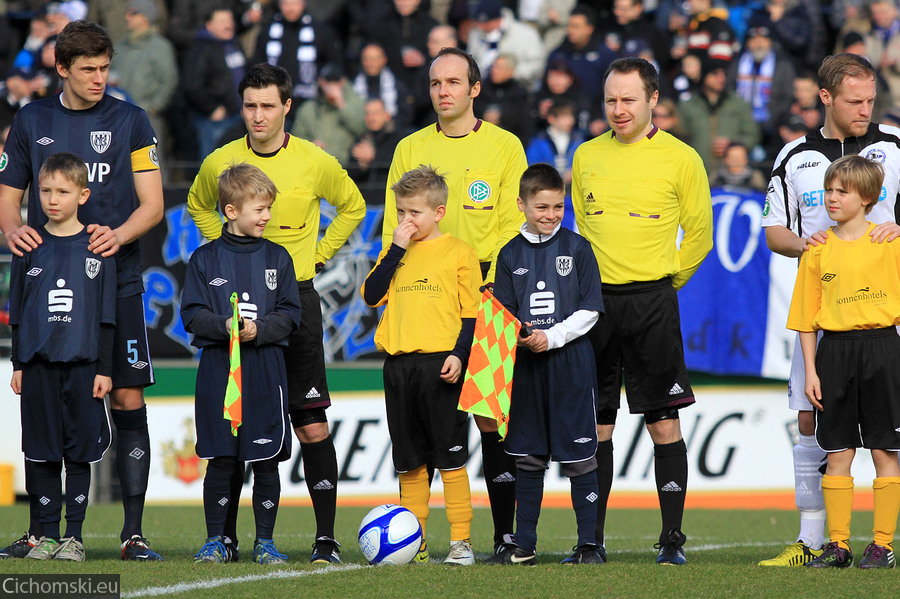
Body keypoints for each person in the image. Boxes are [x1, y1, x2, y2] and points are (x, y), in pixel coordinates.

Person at [187, 62, 366, 564]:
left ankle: (325, 539)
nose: (258, 116)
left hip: (295, 302)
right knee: (233, 423)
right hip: (237, 307)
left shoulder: (314, 159)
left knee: (311, 424)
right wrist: (221, 250)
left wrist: (320, 256)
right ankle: (223, 539)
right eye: (250, 106)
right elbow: (198, 204)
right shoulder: (220, 161)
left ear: (288, 107)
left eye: (268, 106)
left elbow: (352, 206)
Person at [0, 20, 164, 562]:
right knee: (46, 400)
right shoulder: (32, 119)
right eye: (88, 69)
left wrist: (117, 235)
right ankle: (40, 532)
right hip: (48, 283)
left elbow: (153, 204)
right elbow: (9, 195)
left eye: (104, 67)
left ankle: (133, 532)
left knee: (125, 395)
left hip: (114, 281)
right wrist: (11, 229)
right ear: (62, 68)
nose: (100, 78)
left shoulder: (131, 120)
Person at [383, 46, 528, 562]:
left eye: (452, 82)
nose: (442, 91)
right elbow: (392, 230)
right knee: (425, 436)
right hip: (426, 307)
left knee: (489, 419)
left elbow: (516, 228)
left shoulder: (506, 148)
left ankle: (504, 537)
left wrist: (492, 287)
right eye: (434, 83)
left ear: (474, 89)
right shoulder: (409, 148)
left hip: (486, 303)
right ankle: (419, 541)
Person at [760, 52, 900, 567]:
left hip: (883, 318)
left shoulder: (894, 145)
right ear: (825, 97)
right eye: (854, 101)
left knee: (887, 436)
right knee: (809, 419)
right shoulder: (794, 155)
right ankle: (813, 540)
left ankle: (879, 540)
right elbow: (774, 230)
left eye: (870, 100)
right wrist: (808, 246)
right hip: (825, 308)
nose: (865, 110)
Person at [572, 57, 713, 565]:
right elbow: (583, 233)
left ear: (653, 100)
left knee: (663, 422)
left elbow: (700, 235)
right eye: (610, 99)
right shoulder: (586, 155)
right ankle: (592, 542)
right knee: (596, 424)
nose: (618, 109)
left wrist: (665, 280)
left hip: (653, 301)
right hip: (597, 307)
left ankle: (670, 542)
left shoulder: (682, 158)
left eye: (628, 99)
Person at [182, 163, 301, 565]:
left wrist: (258, 330)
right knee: (222, 458)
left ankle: (265, 543)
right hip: (219, 369)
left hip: (266, 370)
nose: (267, 216)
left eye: (269, 208)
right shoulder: (204, 259)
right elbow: (192, 315)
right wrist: (225, 326)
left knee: (266, 460)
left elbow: (290, 314)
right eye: (259, 209)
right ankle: (217, 541)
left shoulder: (279, 257)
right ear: (231, 211)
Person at [362, 164, 480, 566]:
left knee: (449, 457)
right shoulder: (394, 252)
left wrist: (460, 355)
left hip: (441, 365)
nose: (405, 221)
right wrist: (395, 249)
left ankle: (461, 542)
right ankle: (416, 543)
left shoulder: (460, 252)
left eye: (414, 212)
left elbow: (471, 313)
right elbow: (371, 295)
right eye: (400, 212)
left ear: (439, 212)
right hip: (399, 366)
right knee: (409, 460)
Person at [787, 154, 900, 569]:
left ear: (868, 198)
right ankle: (839, 546)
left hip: (883, 350)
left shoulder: (890, 243)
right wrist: (811, 373)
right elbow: (803, 321)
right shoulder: (817, 250)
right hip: (833, 352)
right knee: (838, 450)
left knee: (886, 448)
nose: (831, 198)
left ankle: (882, 545)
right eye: (829, 190)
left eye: (842, 192)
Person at [489, 163, 604, 565]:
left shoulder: (577, 248)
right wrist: (523, 335)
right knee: (528, 456)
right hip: (526, 368)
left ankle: (589, 544)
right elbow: (502, 314)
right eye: (542, 207)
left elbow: (590, 310)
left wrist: (551, 337)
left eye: (558, 206)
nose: (551, 215)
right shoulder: (509, 254)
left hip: (571, 363)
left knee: (579, 457)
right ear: (521, 204)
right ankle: (524, 545)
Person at [7, 153, 116, 562]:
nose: (53, 199)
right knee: (41, 451)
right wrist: (18, 363)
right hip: (37, 366)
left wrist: (105, 369)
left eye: (63, 191)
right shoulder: (28, 245)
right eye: (46, 191)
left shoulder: (98, 247)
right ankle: (47, 536)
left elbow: (107, 316)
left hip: (83, 367)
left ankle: (74, 537)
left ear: (82, 194)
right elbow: (16, 311)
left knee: (79, 452)